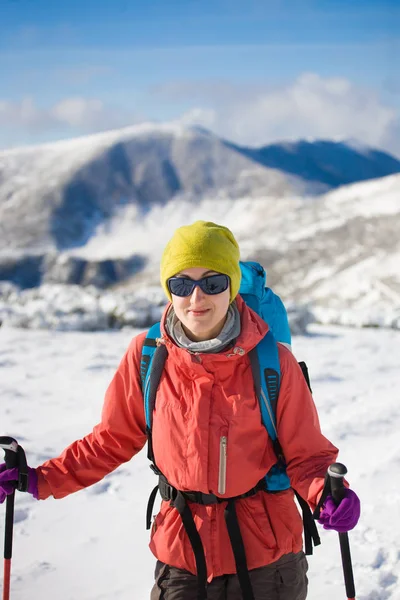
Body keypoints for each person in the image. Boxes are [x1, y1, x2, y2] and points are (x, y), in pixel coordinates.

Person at [0, 221, 360, 600]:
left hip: (267, 559)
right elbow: (111, 439)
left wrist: (327, 495)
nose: (196, 297)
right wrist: (40, 478)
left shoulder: (273, 361)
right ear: (168, 289)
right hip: (182, 552)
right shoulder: (148, 355)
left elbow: (307, 455)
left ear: (233, 284)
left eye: (213, 282)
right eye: (182, 284)